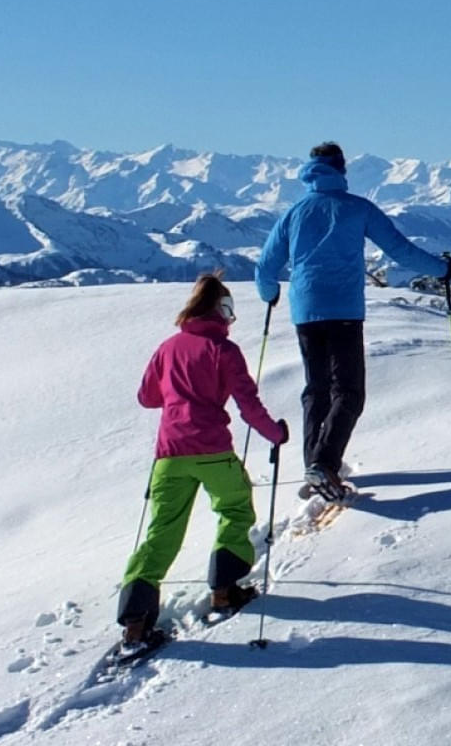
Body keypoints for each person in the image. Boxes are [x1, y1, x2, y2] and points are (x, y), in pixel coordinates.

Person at [255, 141, 451, 503]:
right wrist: (443, 269)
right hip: (344, 311)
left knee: (316, 389)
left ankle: (315, 464)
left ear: (311, 170)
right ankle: (325, 463)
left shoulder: (295, 213)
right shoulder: (357, 208)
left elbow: (266, 267)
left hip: (306, 312)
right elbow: (400, 250)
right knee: (348, 391)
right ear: (341, 169)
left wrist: (268, 293)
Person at [117, 273, 288, 650]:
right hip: (212, 448)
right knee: (236, 507)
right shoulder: (225, 351)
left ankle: (135, 620)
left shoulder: (167, 347)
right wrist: (275, 434)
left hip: (169, 455)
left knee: (161, 533)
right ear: (218, 310)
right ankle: (224, 590)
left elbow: (147, 397)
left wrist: (179, 392)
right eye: (228, 309)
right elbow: (248, 405)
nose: (230, 317)